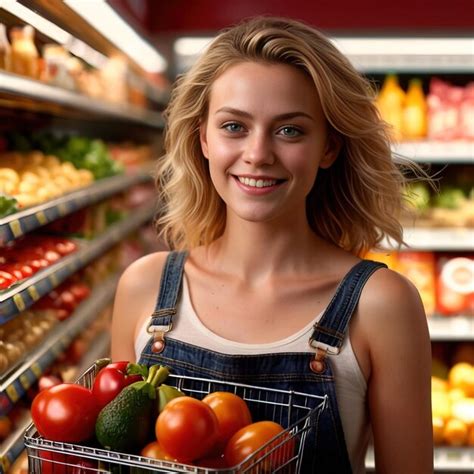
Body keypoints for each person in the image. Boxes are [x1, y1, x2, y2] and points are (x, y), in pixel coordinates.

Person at [111, 16, 433, 473]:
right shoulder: (145, 286)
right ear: (203, 137)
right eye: (234, 127)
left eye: (290, 130)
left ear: (329, 148)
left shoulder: (380, 304)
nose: (258, 153)